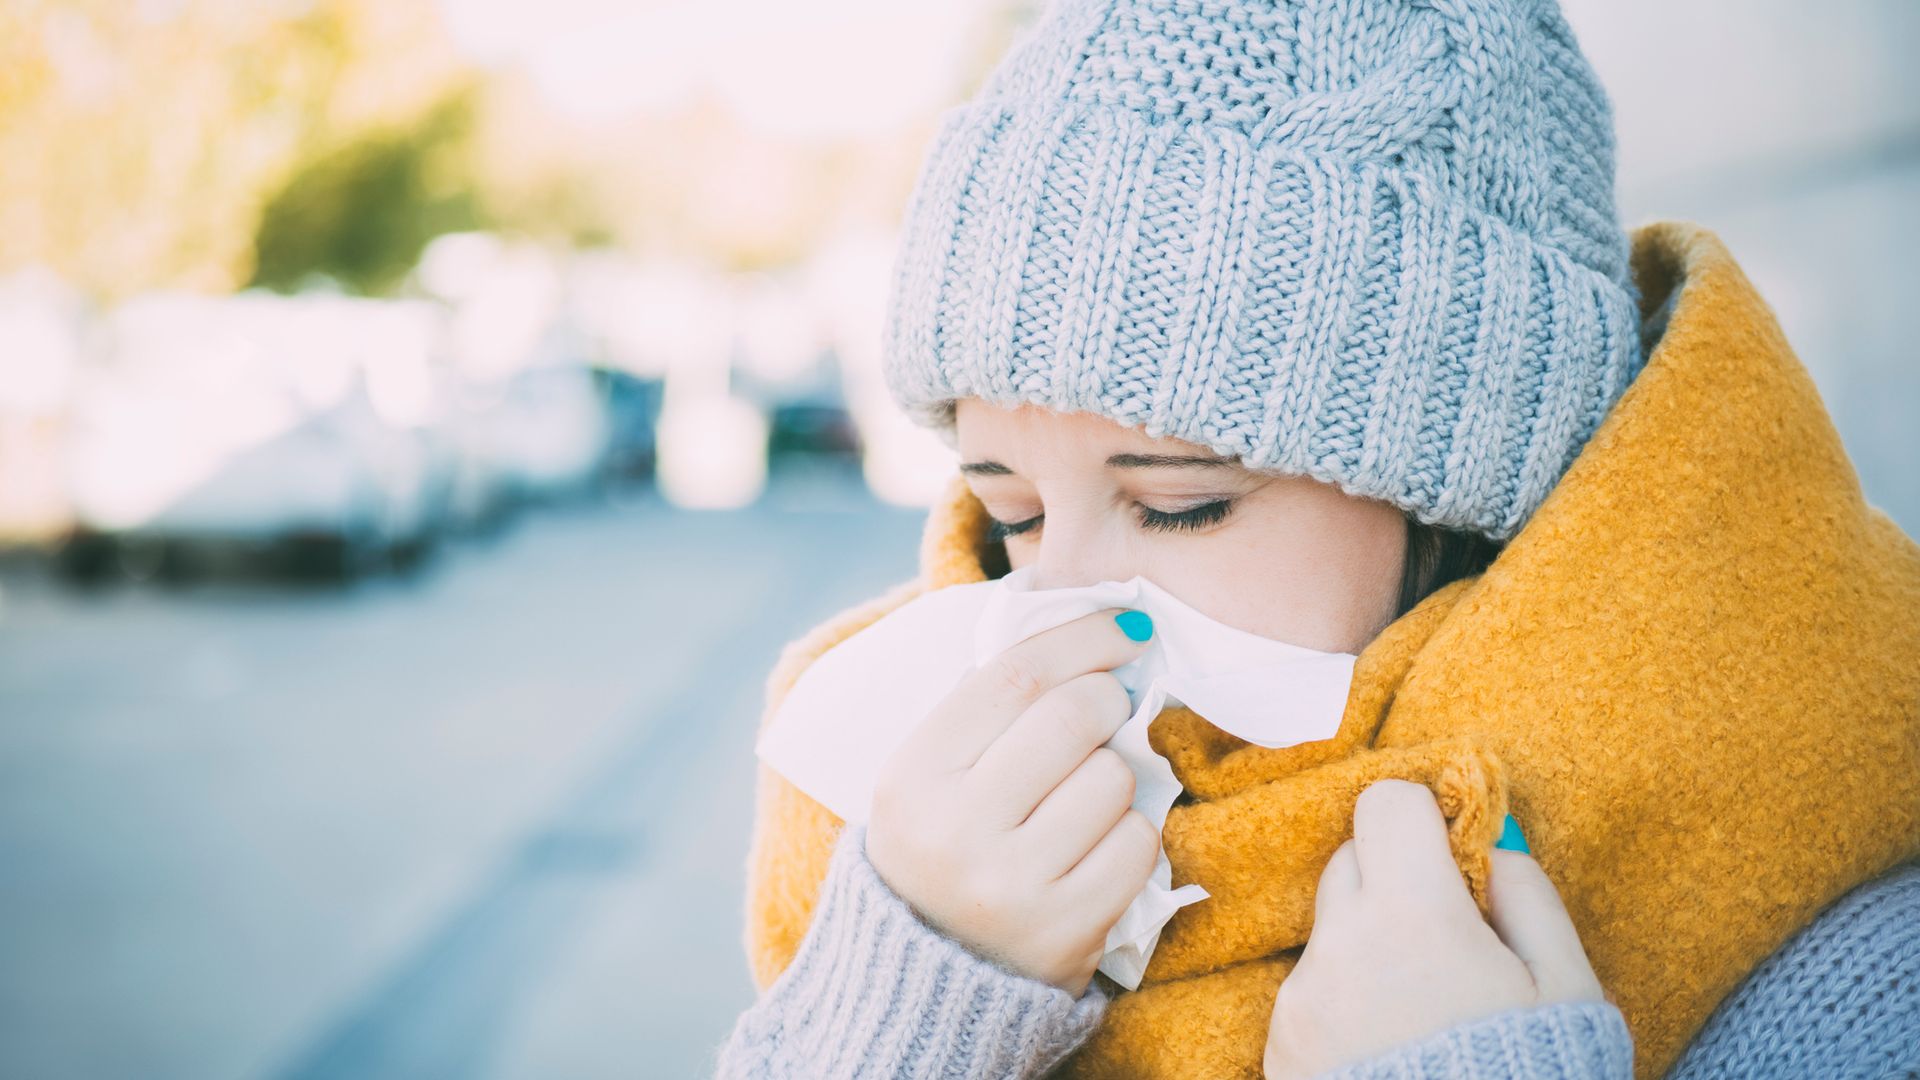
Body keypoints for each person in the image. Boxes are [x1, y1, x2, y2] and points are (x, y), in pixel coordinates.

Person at [716, 0, 1920, 1076]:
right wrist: (907, 1005)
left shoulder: (1857, 949)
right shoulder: (875, 819)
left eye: (1180, 503)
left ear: (1465, 496)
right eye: (1015, 514)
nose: (1061, 608)